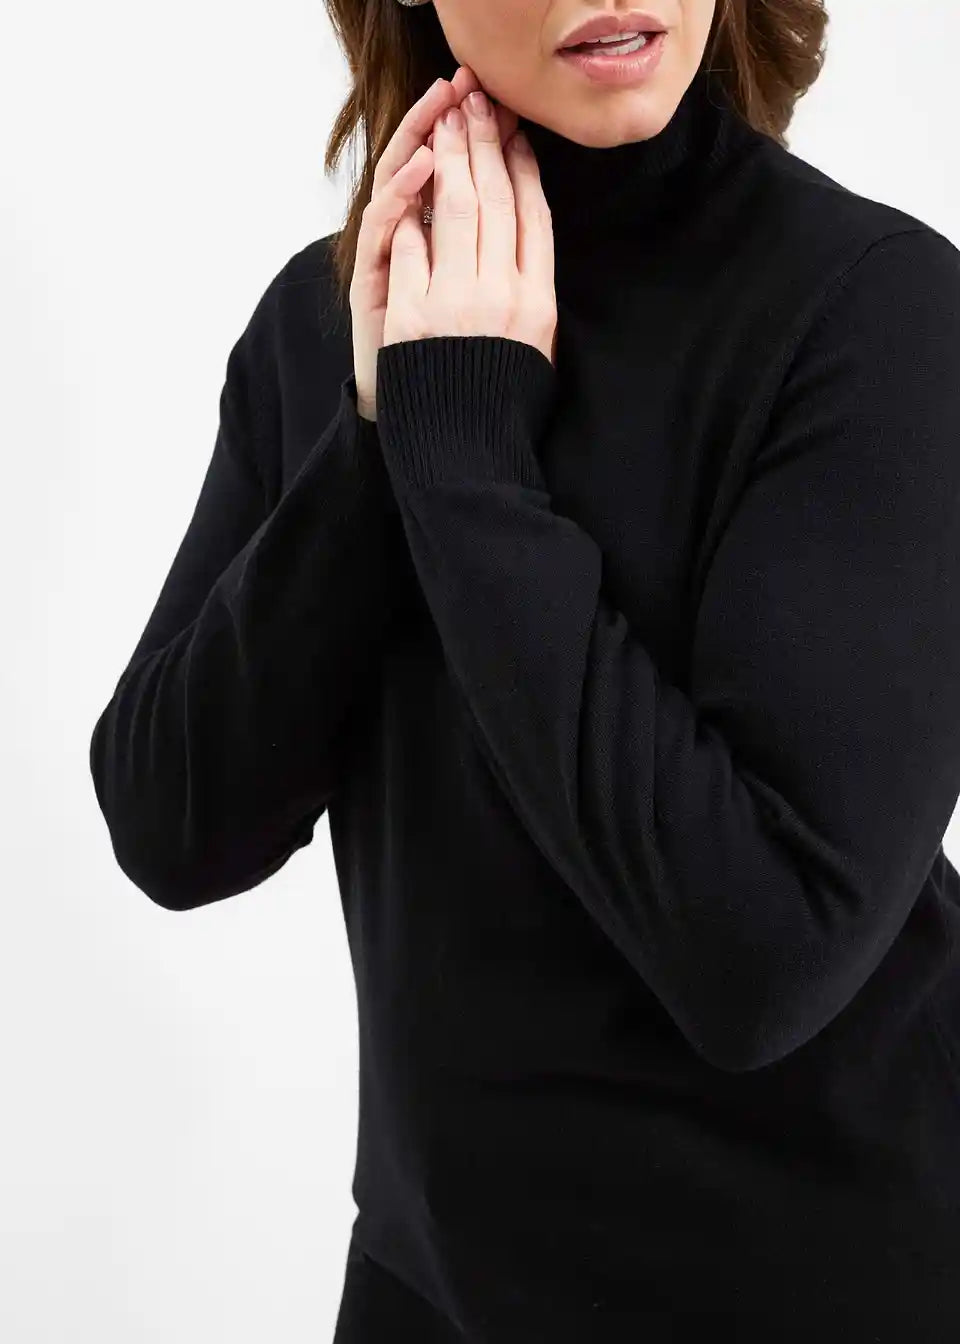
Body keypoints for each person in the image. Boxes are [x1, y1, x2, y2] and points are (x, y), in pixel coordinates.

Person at [89, 1, 960, 1340]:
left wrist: (462, 456)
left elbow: (765, 963)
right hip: (433, 1292)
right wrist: (376, 433)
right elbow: (174, 828)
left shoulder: (876, 314)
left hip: (814, 1291)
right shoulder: (337, 322)